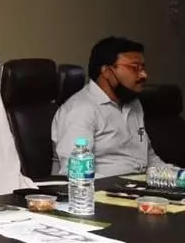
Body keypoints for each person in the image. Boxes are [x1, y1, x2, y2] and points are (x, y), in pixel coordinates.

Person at [52, 37, 173, 178]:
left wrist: (177, 177)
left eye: (143, 68)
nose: (143, 75)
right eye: (135, 68)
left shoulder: (133, 103)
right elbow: (76, 174)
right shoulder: (80, 110)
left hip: (137, 189)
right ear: (106, 71)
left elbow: (149, 159)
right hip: (101, 193)